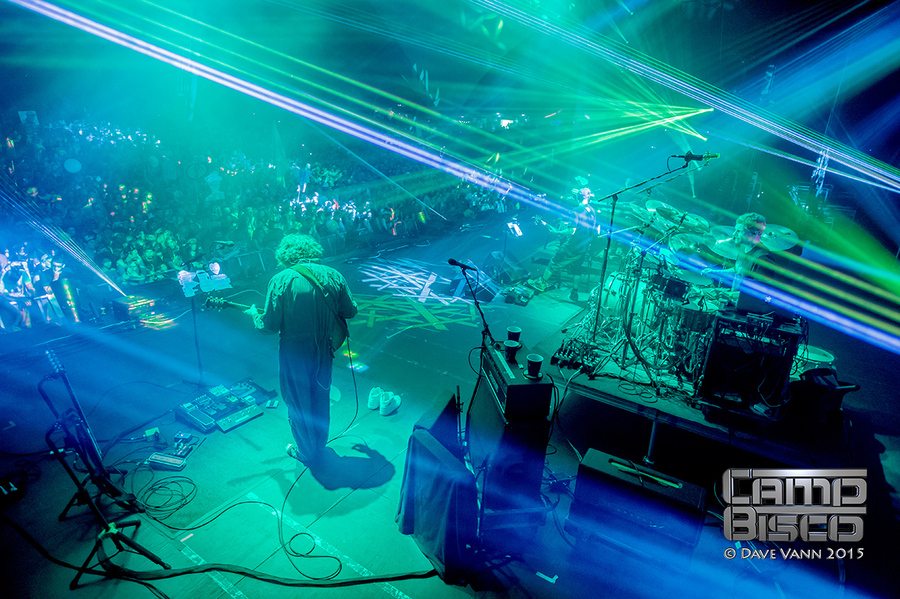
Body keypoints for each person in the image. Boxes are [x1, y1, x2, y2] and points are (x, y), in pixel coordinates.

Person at [246, 234, 358, 465]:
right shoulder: (334, 275)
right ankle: (319, 445)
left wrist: (255, 315)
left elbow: (269, 326)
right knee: (320, 396)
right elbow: (350, 311)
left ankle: (307, 452)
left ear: (285, 255)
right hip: (324, 351)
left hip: (294, 353)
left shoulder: (281, 279)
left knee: (298, 401)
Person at [526, 187, 598, 299]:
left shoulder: (577, 210)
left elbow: (572, 230)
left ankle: (541, 283)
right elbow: (594, 230)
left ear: (578, 196)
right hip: (584, 246)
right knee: (577, 268)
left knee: (554, 261)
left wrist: (557, 231)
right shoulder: (592, 210)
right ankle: (574, 292)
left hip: (572, 245)